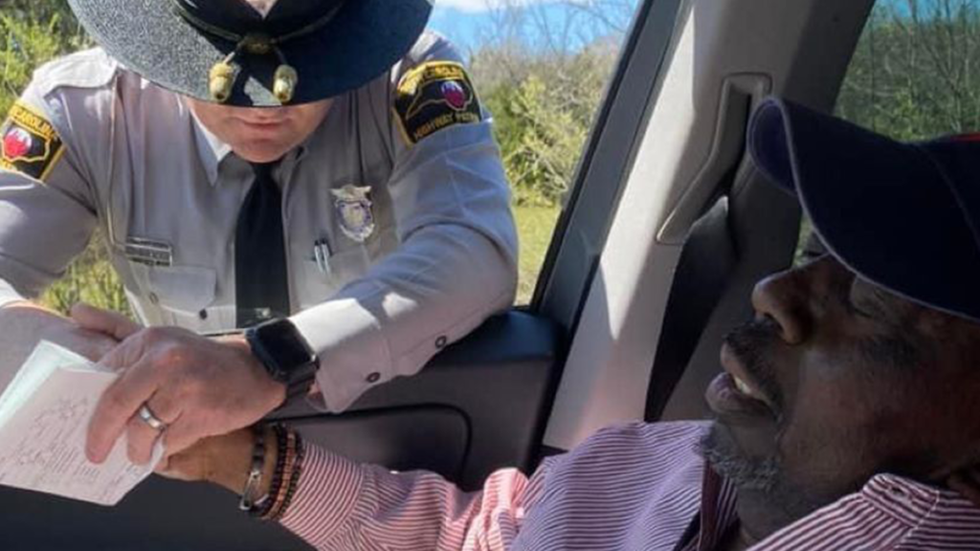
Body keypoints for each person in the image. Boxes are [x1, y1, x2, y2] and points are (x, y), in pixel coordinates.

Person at [148, 98, 980, 550]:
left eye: (872, 294)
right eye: (810, 251)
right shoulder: (654, 457)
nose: (774, 292)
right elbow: (471, 534)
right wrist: (248, 459)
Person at [0, 0, 517, 465]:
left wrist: (270, 360)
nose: (266, 103)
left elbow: (474, 245)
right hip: (180, 461)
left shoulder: (409, 75)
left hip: (372, 462)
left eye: (309, 63)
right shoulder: (82, 109)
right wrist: (101, 368)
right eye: (227, 68)